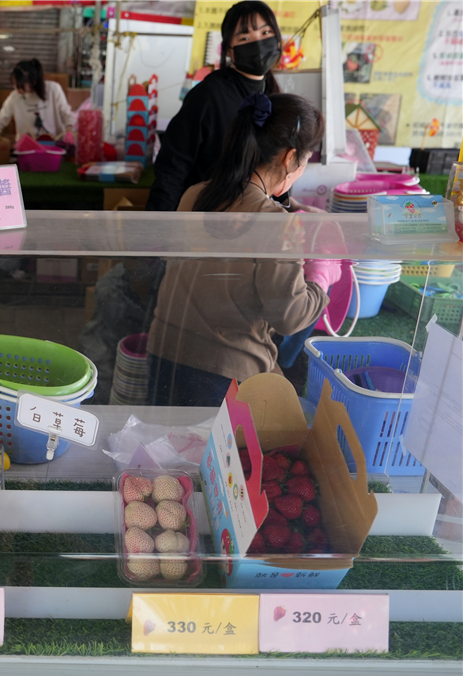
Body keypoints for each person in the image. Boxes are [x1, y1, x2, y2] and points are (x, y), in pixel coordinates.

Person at [146, 93, 340, 407]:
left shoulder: (195, 194)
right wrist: (322, 276)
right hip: (223, 373)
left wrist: (287, 217)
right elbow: (290, 316)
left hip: (163, 353)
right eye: (306, 159)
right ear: (290, 158)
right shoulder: (273, 223)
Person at [148, 1, 294, 212]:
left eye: (265, 32)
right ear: (228, 50)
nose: (258, 44)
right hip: (206, 221)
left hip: (251, 220)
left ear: (278, 39)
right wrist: (159, 233)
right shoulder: (208, 95)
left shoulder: (274, 94)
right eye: (245, 38)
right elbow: (172, 168)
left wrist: (289, 207)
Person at [0, 59, 76, 143]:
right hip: (26, 147)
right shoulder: (15, 97)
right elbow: (1, 119)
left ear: (33, 82)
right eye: (14, 84)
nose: (16, 88)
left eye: (20, 85)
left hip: (53, 145)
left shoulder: (53, 89)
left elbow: (66, 114)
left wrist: (69, 131)